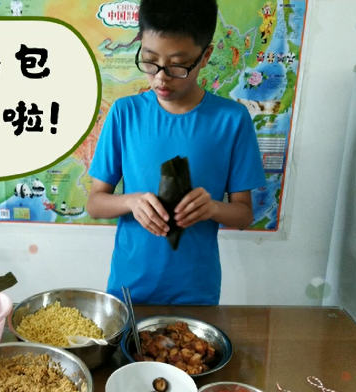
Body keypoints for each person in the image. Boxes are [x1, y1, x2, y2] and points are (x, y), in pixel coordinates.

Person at [87, 0, 266, 305]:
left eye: (177, 66)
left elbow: (244, 214)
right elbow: (94, 203)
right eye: (150, 61)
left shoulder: (232, 120)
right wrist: (131, 201)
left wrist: (212, 208)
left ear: (205, 56)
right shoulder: (125, 113)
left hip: (196, 293)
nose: (160, 77)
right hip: (129, 291)